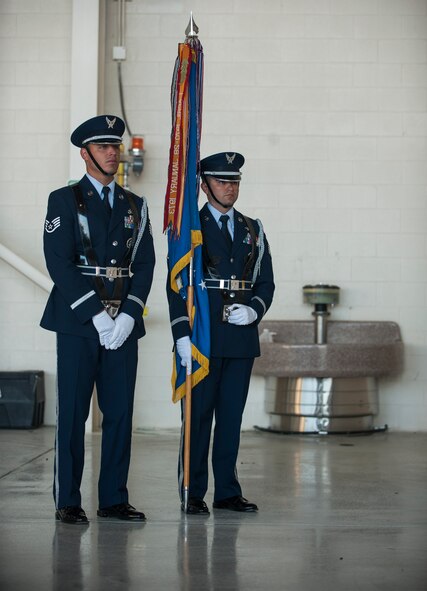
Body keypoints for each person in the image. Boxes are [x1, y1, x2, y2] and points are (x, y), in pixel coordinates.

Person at [41, 115, 155, 524]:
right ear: (85, 152)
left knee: (121, 412)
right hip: (78, 323)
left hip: (123, 324)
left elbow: (144, 264)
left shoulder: (135, 206)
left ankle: (113, 499)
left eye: (115, 146)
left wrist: (128, 314)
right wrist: (96, 315)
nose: (112, 152)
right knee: (73, 413)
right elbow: (60, 263)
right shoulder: (64, 200)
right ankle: (68, 500)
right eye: (103, 146)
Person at [167, 152, 275, 514]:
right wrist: (181, 335)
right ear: (204, 185)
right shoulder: (189, 230)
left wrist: (255, 310)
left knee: (231, 419)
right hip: (203, 337)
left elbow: (266, 283)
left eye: (235, 182)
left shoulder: (252, 229)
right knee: (197, 420)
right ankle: (192, 491)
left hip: (240, 339)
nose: (230, 188)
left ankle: (227, 491)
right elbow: (176, 288)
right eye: (222, 181)